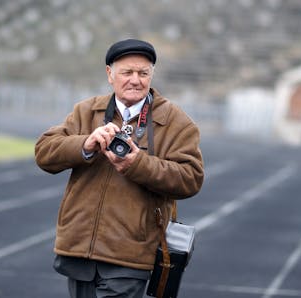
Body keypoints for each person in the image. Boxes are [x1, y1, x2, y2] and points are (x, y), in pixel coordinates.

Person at [35, 38, 204, 298]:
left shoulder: (175, 122)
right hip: (79, 251)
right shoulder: (87, 111)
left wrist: (137, 164)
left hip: (130, 255)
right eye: (127, 72)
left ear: (151, 75)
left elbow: (191, 178)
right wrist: (86, 144)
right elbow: (44, 152)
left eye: (143, 73)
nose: (135, 80)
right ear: (109, 74)